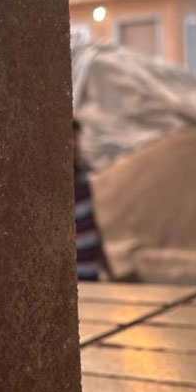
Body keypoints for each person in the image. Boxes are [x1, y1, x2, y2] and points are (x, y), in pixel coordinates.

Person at [73, 119, 110, 281]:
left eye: (76, 141)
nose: (74, 147)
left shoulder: (82, 179)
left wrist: (108, 268)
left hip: (92, 271)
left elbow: (92, 225)